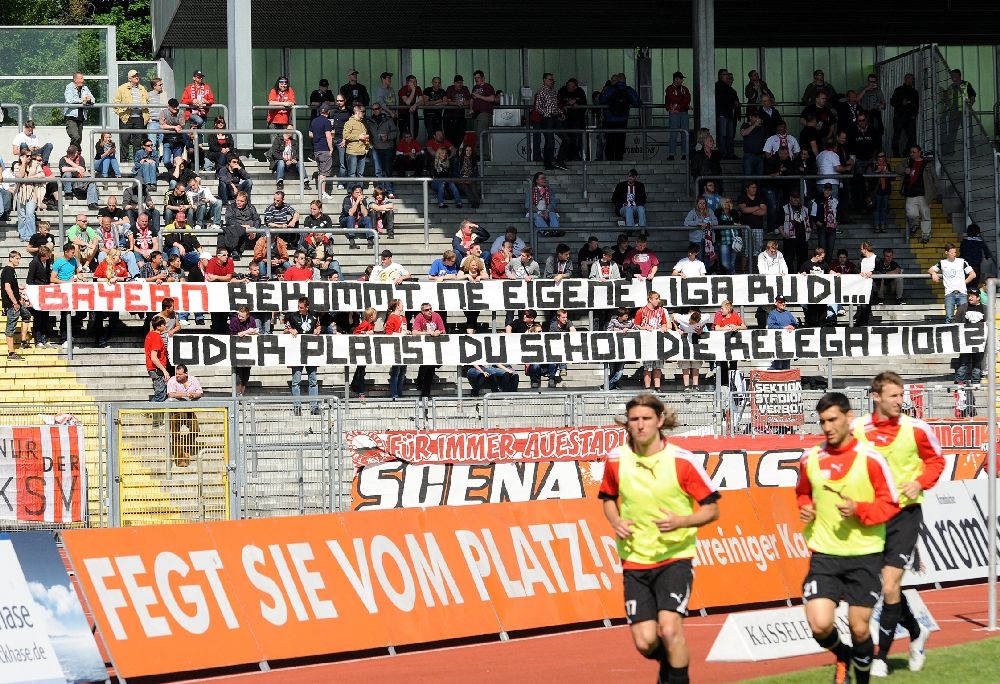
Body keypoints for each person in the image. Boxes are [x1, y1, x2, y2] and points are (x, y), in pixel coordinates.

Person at [599, 394, 720, 684]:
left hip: (674, 557)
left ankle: (677, 676)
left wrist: (682, 521)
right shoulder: (616, 459)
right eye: (634, 420)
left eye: (646, 419)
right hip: (635, 559)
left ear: (660, 421)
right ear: (627, 423)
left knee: (669, 628)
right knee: (645, 642)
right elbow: (608, 498)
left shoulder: (682, 460)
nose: (640, 425)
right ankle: (672, 663)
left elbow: (712, 509)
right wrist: (616, 521)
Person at [797, 392, 899, 684]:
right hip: (825, 555)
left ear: (849, 417)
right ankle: (842, 655)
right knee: (819, 625)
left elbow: (890, 505)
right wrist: (805, 507)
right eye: (822, 422)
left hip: (864, 555)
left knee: (860, 628)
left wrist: (859, 510)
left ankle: (862, 678)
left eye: (833, 420)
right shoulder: (810, 458)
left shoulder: (871, 459)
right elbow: (802, 493)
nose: (827, 427)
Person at [851, 372, 943, 677]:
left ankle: (881, 657)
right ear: (876, 397)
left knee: (890, 585)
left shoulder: (916, 429)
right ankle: (917, 632)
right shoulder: (858, 429)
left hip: (905, 514)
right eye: (894, 395)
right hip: (872, 516)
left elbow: (936, 461)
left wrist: (920, 483)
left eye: (902, 395)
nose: (900, 401)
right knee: (882, 587)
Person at [284, 296, 321, 415]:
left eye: (301, 307)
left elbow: (318, 325)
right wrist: (290, 330)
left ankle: (314, 407)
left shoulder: (314, 315)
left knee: (313, 380)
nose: (299, 309)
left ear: (307, 307)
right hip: (296, 352)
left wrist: (318, 329)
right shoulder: (292, 316)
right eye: (298, 307)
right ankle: (297, 407)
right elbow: (285, 329)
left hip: (311, 352)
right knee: (296, 381)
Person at [896, 145, 939, 244]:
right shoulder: (907, 162)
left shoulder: (927, 164)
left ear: (919, 152)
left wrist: (934, 192)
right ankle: (915, 224)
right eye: (911, 152)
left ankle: (926, 235)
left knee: (925, 215)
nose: (912, 154)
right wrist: (904, 170)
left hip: (924, 194)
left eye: (914, 152)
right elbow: (897, 168)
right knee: (911, 213)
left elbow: (935, 179)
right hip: (910, 193)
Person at [928, 243, 976, 323]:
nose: (954, 254)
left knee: (964, 317)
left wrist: (963, 283)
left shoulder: (962, 261)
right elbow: (930, 269)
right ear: (946, 252)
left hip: (962, 293)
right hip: (949, 293)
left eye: (955, 252)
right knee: (949, 318)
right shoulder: (942, 262)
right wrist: (933, 273)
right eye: (951, 252)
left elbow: (973, 274)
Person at [166, 364, 203, 467]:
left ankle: (185, 446)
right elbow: (171, 394)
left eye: (180, 374)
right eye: (176, 374)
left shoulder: (193, 379)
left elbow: (200, 392)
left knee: (195, 429)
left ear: (186, 374)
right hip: (175, 411)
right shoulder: (172, 380)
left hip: (188, 410)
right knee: (175, 434)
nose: (177, 376)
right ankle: (180, 460)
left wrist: (194, 395)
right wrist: (185, 394)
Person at [599, 73, 640, 161]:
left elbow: (602, 100)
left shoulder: (610, 89)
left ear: (617, 80)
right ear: (625, 80)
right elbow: (637, 102)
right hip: (623, 120)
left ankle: (609, 160)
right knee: (620, 141)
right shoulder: (629, 90)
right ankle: (619, 160)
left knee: (610, 141)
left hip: (609, 120)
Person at [634, 292, 671, 391]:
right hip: (646, 342)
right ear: (650, 299)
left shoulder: (661, 310)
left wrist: (664, 327)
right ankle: (647, 388)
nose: (658, 300)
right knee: (647, 367)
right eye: (656, 298)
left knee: (658, 366)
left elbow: (664, 323)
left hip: (658, 342)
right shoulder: (641, 311)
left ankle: (657, 387)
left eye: (658, 298)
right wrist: (644, 328)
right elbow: (636, 325)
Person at [112, 69, 151, 162]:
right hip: (126, 118)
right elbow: (115, 103)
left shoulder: (142, 88)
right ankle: (124, 161)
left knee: (138, 141)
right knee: (125, 140)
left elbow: (148, 101)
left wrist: (144, 107)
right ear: (129, 78)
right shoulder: (122, 88)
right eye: (134, 76)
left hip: (139, 118)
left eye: (137, 75)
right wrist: (122, 111)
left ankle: (137, 161)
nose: (137, 77)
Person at [412, 303, 446, 398]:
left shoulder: (436, 315)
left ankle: (423, 390)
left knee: (430, 368)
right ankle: (424, 392)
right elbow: (414, 332)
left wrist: (439, 331)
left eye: (430, 309)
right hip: (423, 346)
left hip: (434, 347)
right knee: (427, 368)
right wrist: (428, 333)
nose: (430, 311)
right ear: (422, 312)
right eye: (427, 310)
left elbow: (443, 330)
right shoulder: (419, 317)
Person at [953, 290, 987, 385]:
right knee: (963, 362)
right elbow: (957, 321)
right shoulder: (963, 307)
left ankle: (975, 381)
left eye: (972, 296)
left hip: (979, 340)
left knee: (977, 362)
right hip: (966, 340)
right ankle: (959, 381)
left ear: (978, 297)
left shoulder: (985, 308)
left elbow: (990, 322)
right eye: (969, 296)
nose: (970, 298)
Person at [2, 251, 29, 360]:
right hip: (12, 304)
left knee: (26, 315)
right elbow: (7, 288)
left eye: (19, 259)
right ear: (11, 258)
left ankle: (23, 341)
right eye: (16, 258)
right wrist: (15, 302)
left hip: (16, 302)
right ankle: (11, 353)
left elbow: (12, 287)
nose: (18, 261)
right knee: (10, 328)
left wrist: (18, 289)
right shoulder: (8, 270)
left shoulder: (12, 270)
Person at [367, 102, 398, 194]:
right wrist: (370, 145)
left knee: (388, 170)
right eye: (373, 109)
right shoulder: (370, 121)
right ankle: (380, 191)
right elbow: (368, 134)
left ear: (380, 109)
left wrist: (387, 137)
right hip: (376, 148)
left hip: (388, 148)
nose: (375, 110)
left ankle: (389, 190)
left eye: (376, 108)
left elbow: (395, 132)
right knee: (378, 171)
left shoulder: (388, 119)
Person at [713, 300, 746, 383]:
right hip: (723, 344)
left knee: (733, 363)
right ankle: (724, 382)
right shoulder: (720, 317)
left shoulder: (735, 316)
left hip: (734, 345)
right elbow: (717, 328)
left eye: (722, 308)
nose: (721, 310)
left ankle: (733, 382)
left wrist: (736, 327)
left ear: (728, 309)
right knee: (723, 363)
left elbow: (744, 327)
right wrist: (725, 328)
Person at [470, 70, 498, 158]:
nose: (476, 79)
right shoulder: (475, 87)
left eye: (478, 77)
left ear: (483, 78)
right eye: (475, 78)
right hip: (476, 114)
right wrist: (471, 108)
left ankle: (483, 155)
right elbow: (472, 99)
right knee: (477, 134)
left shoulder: (488, 86)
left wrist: (479, 96)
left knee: (481, 133)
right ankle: (479, 154)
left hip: (484, 113)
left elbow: (492, 98)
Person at [384, 298, 409, 399]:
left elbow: (403, 329)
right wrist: (400, 334)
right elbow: (388, 332)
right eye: (401, 304)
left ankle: (399, 391)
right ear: (397, 306)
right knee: (396, 371)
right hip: (396, 347)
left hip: (404, 345)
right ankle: (394, 393)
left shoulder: (403, 318)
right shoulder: (392, 317)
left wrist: (407, 332)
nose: (403, 305)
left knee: (403, 371)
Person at [63, 72, 95, 150]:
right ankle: (75, 152)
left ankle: (73, 153)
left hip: (81, 117)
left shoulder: (85, 88)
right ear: (75, 80)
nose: (83, 80)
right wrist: (83, 100)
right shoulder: (69, 87)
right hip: (71, 117)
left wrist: (89, 100)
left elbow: (93, 99)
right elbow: (69, 100)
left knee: (79, 139)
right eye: (81, 78)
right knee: (75, 137)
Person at [890, 74, 919, 158]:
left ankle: (906, 153)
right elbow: (892, 102)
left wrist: (914, 115)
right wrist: (901, 103)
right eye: (908, 79)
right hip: (899, 116)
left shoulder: (914, 92)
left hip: (909, 117)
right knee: (896, 136)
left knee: (912, 137)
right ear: (905, 79)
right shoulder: (899, 90)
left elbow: (916, 105)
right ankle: (896, 155)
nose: (910, 81)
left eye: (911, 79)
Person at [664, 72, 691, 160]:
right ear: (675, 79)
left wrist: (676, 106)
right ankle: (673, 154)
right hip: (679, 112)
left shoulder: (684, 89)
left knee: (684, 133)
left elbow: (686, 99)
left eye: (682, 79)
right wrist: (684, 104)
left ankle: (683, 154)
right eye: (680, 79)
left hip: (676, 112)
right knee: (674, 133)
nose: (682, 80)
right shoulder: (670, 89)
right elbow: (672, 99)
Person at [714, 69, 741, 158]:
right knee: (723, 135)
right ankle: (724, 153)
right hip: (722, 114)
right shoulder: (718, 86)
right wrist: (733, 101)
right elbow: (723, 100)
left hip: (729, 115)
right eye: (725, 74)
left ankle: (729, 153)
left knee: (729, 136)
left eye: (727, 74)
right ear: (720, 76)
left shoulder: (729, 88)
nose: (727, 76)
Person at [766, 296, 797, 370]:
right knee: (778, 365)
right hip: (778, 343)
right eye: (780, 302)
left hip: (788, 343)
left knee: (787, 365)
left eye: (784, 302)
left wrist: (792, 327)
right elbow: (770, 326)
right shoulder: (772, 314)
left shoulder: (788, 313)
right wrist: (783, 328)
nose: (783, 303)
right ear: (776, 303)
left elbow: (795, 323)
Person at [343, 104, 371, 178]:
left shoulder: (363, 123)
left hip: (362, 151)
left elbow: (365, 136)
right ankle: (351, 186)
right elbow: (345, 136)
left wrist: (367, 148)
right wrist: (358, 137)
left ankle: (360, 186)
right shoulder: (349, 123)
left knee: (360, 174)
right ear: (357, 112)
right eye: (363, 111)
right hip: (352, 152)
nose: (364, 113)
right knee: (352, 174)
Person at [146, 316, 170, 403]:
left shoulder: (150, 335)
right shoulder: (156, 337)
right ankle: (148, 410)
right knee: (160, 396)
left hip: (153, 368)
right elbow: (154, 357)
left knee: (159, 393)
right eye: (164, 325)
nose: (166, 326)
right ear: (158, 327)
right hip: (157, 369)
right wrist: (164, 370)